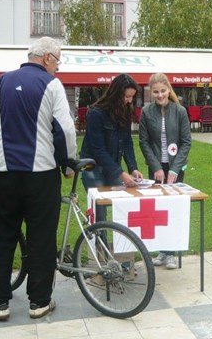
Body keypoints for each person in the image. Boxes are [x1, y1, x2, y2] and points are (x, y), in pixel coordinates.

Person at [0, 37, 77, 321]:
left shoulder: (1, 82)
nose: (58, 68)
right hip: (41, 177)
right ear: (47, 58)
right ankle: (39, 302)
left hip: (3, 175)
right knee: (42, 239)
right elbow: (65, 131)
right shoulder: (52, 85)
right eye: (58, 61)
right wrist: (67, 166)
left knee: (2, 236)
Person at [139, 73, 192, 270]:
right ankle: (162, 250)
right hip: (157, 168)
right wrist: (156, 168)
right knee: (157, 210)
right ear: (151, 92)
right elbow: (143, 142)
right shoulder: (146, 112)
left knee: (172, 209)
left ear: (168, 90)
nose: (160, 95)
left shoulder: (179, 111)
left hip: (175, 169)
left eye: (163, 91)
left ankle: (171, 253)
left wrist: (175, 169)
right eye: (156, 92)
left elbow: (186, 142)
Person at [80, 73, 143, 191]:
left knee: (118, 203)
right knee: (99, 205)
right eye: (126, 96)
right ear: (116, 94)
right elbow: (97, 149)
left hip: (113, 166)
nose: (129, 101)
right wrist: (121, 173)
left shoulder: (125, 111)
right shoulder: (96, 114)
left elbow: (127, 142)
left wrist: (133, 168)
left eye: (132, 97)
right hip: (93, 167)